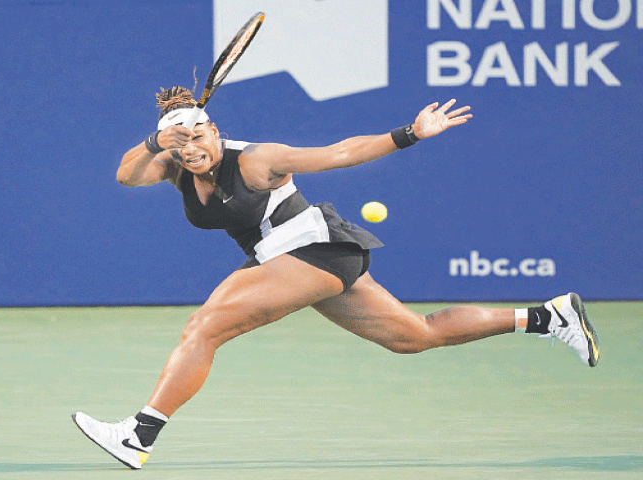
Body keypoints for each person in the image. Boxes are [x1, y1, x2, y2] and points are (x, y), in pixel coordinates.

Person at [72, 86, 600, 469]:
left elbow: (339, 153)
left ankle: (139, 435)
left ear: (216, 130)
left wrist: (409, 133)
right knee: (413, 337)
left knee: (205, 327)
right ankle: (547, 316)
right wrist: (153, 141)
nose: (194, 149)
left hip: (315, 249)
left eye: (200, 137)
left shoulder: (257, 159)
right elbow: (126, 174)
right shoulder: (173, 162)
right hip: (294, 259)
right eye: (181, 145)